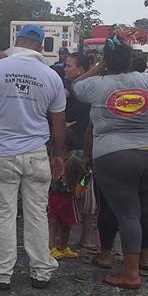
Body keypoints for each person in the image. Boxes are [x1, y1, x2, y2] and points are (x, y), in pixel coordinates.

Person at [71, 35, 148, 289]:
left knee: (129, 214)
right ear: (131, 59)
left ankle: (131, 275)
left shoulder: (97, 84)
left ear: (107, 62)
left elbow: (75, 85)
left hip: (115, 154)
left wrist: (99, 67)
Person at [0, 25, 67, 290]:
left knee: (3, 214)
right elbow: (58, 120)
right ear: (41, 46)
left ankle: (0, 274)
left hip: (2, 153)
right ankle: (41, 272)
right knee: (36, 214)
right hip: (37, 154)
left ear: (16, 41)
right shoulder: (52, 76)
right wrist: (59, 155)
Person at [62, 52, 96, 252]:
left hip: (82, 149)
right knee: (64, 190)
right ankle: (62, 238)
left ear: (81, 70)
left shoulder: (85, 92)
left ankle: (86, 236)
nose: (65, 69)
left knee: (84, 190)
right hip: (69, 147)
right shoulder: (65, 88)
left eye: (69, 66)